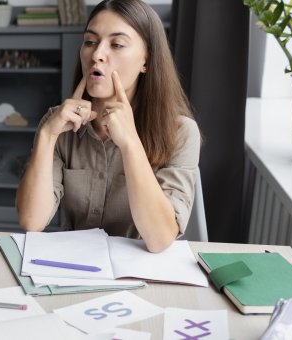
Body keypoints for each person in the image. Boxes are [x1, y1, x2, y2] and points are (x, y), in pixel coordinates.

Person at [16, 0, 201, 253]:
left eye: (117, 44)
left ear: (146, 60)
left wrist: (130, 143)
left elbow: (159, 239)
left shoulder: (181, 133)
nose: (96, 55)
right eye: (90, 42)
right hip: (72, 267)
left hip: (140, 275)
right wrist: (48, 135)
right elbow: (31, 221)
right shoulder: (57, 123)